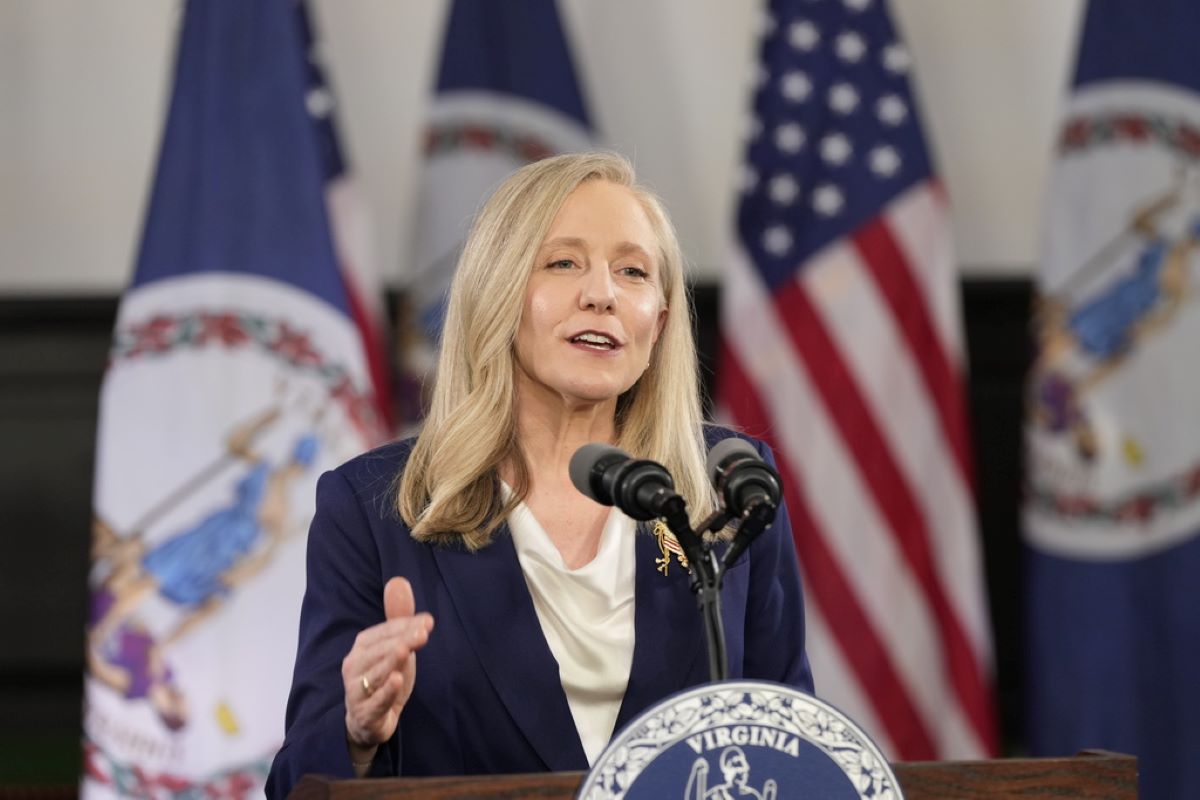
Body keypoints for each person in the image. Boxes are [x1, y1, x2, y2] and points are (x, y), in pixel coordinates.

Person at [266, 152, 813, 796]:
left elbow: (792, 749)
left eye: (633, 272)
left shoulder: (724, 490)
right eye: (563, 262)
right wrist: (357, 733)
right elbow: (297, 784)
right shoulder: (378, 507)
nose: (602, 294)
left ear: (659, 323)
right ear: (496, 294)